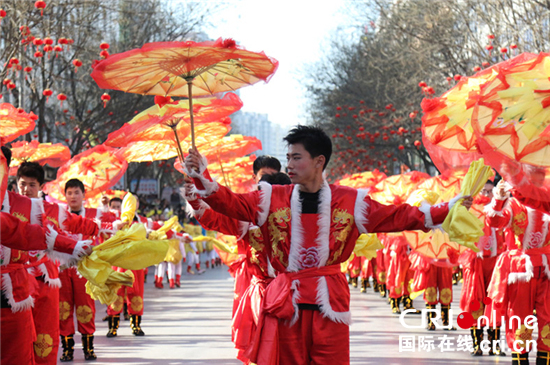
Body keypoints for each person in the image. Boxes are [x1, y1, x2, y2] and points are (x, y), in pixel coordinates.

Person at [184, 125, 469, 364]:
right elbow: (230, 203)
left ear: (319, 161)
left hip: (329, 302)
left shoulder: (351, 202)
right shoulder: (271, 198)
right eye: (288, 158)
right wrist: (201, 177)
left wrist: (448, 208)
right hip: (287, 302)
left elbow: (399, 216)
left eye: (297, 158)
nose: (290, 165)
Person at [16, 162, 99, 365]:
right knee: (19, 334)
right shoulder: (9, 207)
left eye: (32, 185)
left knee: (46, 330)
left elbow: (80, 224)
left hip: (47, 279)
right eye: (22, 184)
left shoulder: (52, 210)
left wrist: (111, 227)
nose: (26, 190)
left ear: (41, 187)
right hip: (18, 280)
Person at [485, 180, 550, 364]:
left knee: (549, 324)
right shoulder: (514, 204)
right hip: (522, 271)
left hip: (547, 269)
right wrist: (498, 198)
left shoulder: (547, 201)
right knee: (520, 323)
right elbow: (495, 221)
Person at [59, 178, 116, 361]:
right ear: (65, 196)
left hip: (84, 269)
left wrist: (105, 208)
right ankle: (67, 349)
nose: (73, 196)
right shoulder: (59, 214)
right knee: (63, 308)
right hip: (63, 268)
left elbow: (111, 224)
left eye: (76, 192)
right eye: (69, 193)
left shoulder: (94, 213)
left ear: (84, 195)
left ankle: (88, 348)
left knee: (86, 308)